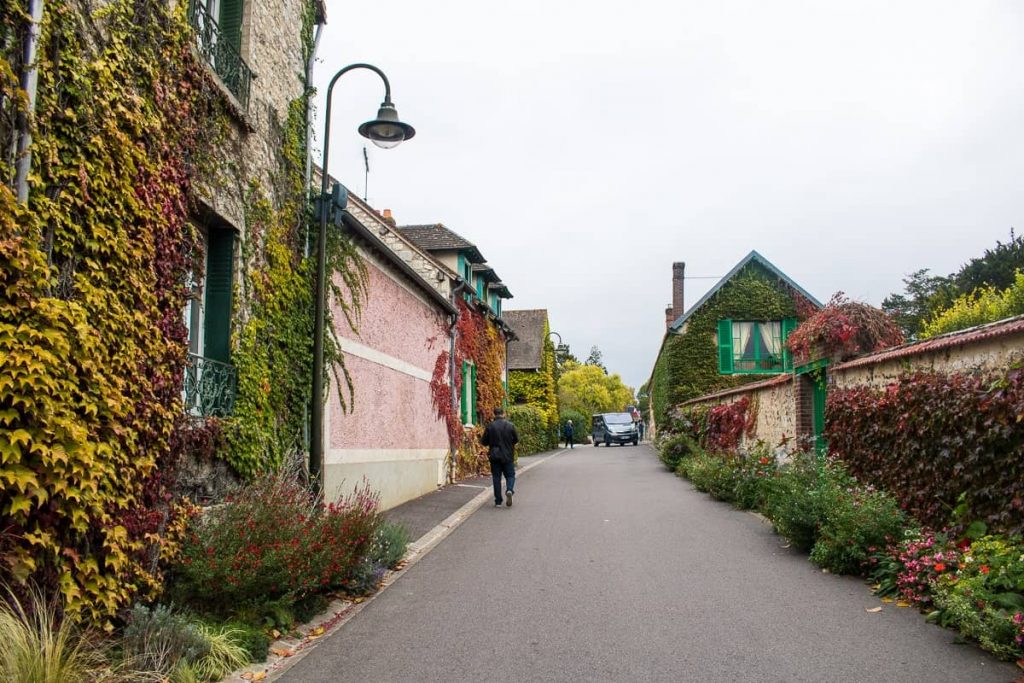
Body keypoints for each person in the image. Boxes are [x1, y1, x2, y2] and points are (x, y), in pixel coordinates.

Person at [481, 407, 519, 507]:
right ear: (503, 414)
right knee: (510, 475)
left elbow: (484, 442)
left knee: (496, 478)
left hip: (495, 455)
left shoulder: (490, 426)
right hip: (508, 455)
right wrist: (509, 444)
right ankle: (509, 489)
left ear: (494, 414)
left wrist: (491, 442)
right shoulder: (510, 426)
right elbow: (516, 439)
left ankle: (498, 501)